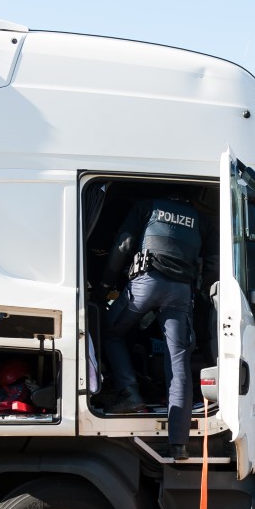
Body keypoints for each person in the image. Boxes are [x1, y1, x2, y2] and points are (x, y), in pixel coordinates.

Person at [100, 188, 216, 461]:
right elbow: (212, 264)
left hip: (146, 284)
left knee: (111, 332)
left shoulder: (147, 205)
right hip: (180, 293)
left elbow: (125, 244)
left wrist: (105, 283)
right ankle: (179, 444)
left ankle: (129, 393)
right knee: (178, 363)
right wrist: (200, 293)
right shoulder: (202, 219)